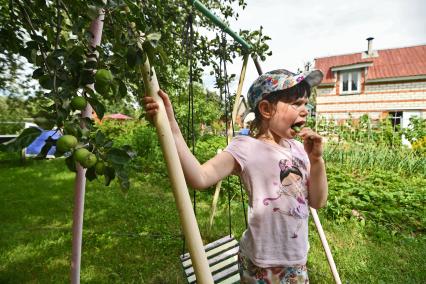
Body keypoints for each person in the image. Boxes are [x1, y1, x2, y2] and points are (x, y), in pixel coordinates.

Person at [143, 69, 328, 283]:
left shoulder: (298, 149)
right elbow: (200, 177)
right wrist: (173, 128)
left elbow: (318, 201)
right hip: (260, 263)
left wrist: (316, 160)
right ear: (266, 109)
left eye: (306, 103)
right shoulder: (246, 148)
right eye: (296, 103)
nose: (305, 110)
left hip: (296, 259)